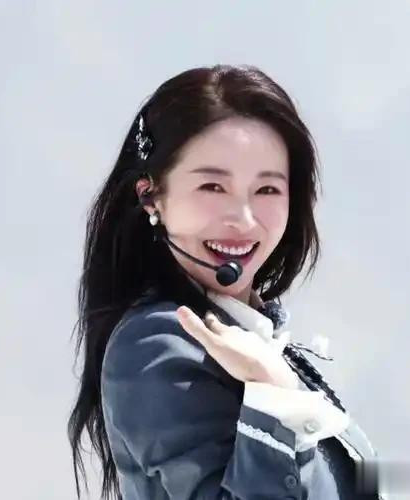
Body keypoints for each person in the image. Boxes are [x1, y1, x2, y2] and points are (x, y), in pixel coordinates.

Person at [68, 64, 384, 499]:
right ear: (151, 196)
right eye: (213, 187)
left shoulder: (252, 334)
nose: (244, 220)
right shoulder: (156, 343)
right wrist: (272, 398)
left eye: (267, 190)